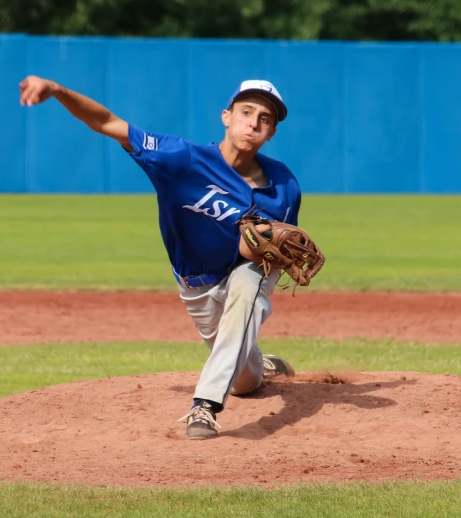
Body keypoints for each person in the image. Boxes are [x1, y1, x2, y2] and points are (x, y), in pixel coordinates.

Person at [19, 75, 301, 439]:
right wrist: (56, 90)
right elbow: (107, 123)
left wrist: (273, 255)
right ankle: (255, 364)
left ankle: (204, 406)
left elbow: (284, 248)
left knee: (247, 285)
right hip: (197, 286)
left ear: (272, 132)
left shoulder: (284, 185)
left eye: (265, 118)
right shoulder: (182, 159)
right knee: (245, 381)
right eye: (246, 111)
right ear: (226, 117)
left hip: (249, 273)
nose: (254, 122)